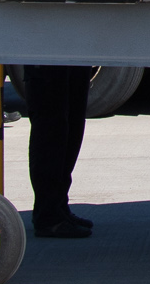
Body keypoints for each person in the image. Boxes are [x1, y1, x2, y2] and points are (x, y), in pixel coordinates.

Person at [10, 64, 98, 240]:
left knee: (71, 127)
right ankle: (48, 215)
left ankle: (59, 205)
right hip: (46, 54)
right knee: (51, 132)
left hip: (73, 52)